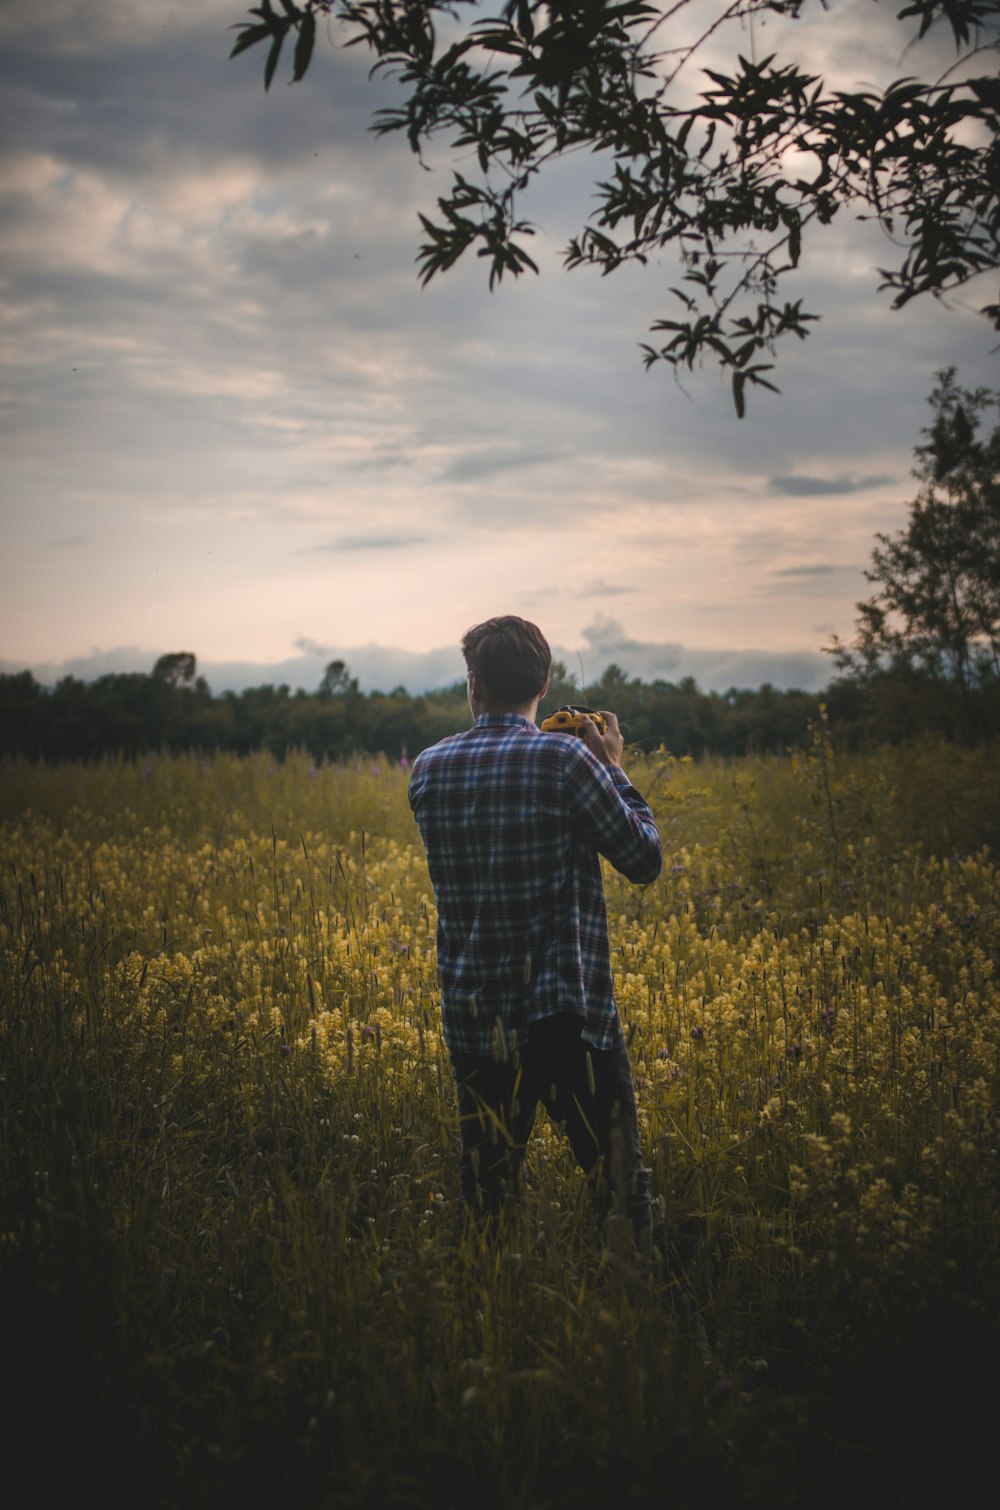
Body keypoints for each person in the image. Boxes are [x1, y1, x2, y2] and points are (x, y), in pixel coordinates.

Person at [408, 615, 663, 1249]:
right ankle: (644, 1307)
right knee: (619, 1188)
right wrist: (613, 768)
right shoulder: (567, 758)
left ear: (473, 684)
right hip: (565, 1017)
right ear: (544, 683)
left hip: (475, 1016)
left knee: (486, 1198)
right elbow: (644, 860)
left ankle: (489, 1319)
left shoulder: (429, 769)